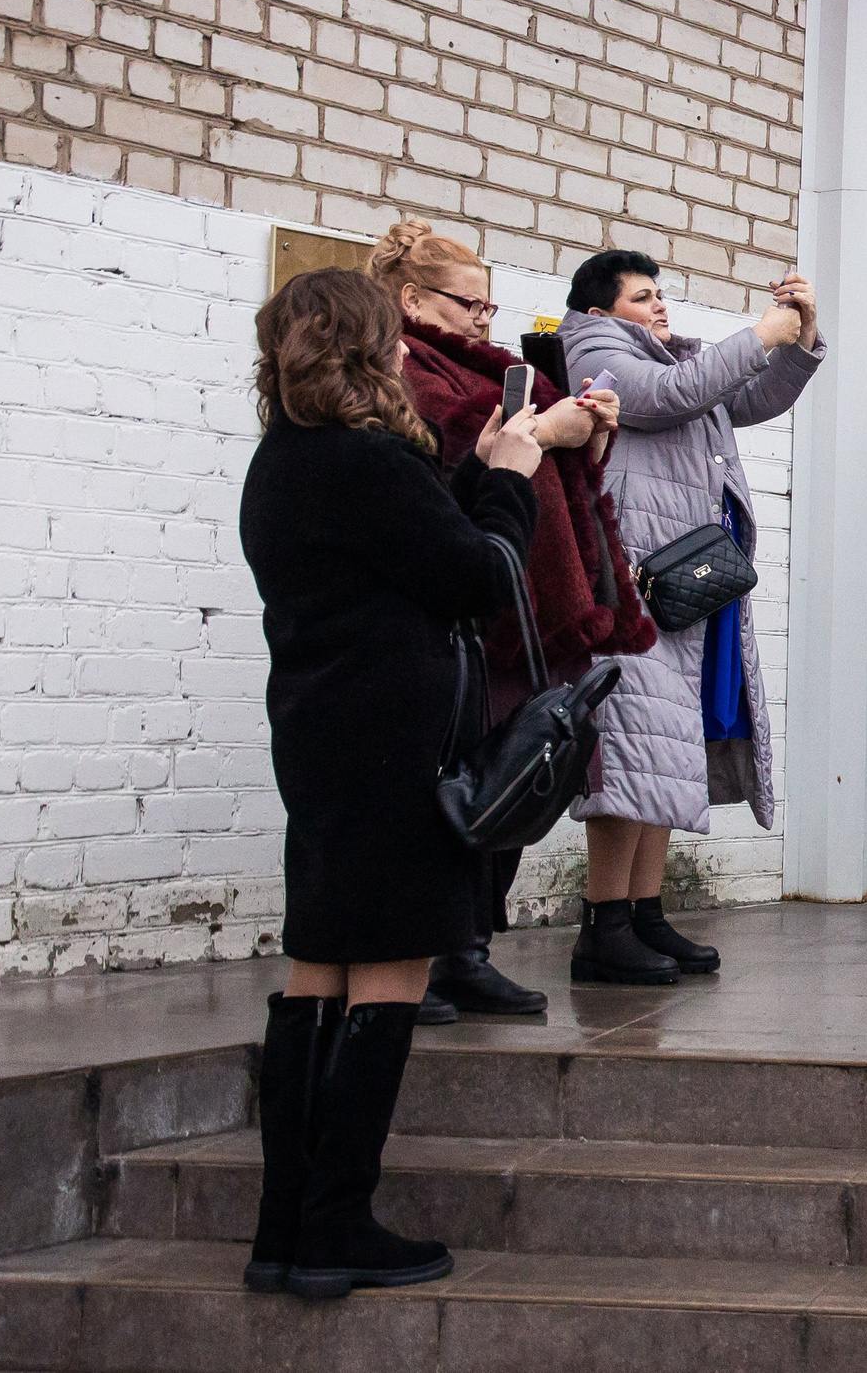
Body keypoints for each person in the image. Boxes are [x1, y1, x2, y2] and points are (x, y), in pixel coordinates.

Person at [239, 268, 543, 1298]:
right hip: (394, 740)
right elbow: (478, 576)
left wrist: (473, 479)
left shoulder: (285, 461)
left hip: (319, 734)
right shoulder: (367, 462)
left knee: (319, 966)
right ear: (374, 351)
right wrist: (510, 479)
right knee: (391, 971)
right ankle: (335, 1222)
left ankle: (287, 1226)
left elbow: (402, 545)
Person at [370, 220, 656, 1022]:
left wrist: (582, 435)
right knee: (456, 786)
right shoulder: (404, 366)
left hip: (508, 598)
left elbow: (523, 460)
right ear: (409, 299)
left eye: (489, 304)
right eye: (469, 303)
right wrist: (549, 427)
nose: (483, 318)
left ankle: (465, 950)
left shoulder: (479, 365)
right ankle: (428, 956)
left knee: (503, 775)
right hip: (461, 604)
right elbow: (460, 447)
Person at [558, 252, 825, 983]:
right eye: (644, 296)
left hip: (682, 591)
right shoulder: (598, 352)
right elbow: (674, 393)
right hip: (631, 583)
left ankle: (643, 914)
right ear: (600, 310)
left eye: (660, 293)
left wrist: (800, 336)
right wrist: (762, 328)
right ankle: (602, 924)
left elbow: (751, 396)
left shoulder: (663, 357)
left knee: (667, 749)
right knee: (627, 756)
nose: (660, 306)